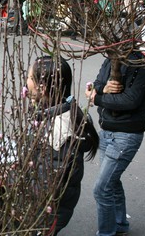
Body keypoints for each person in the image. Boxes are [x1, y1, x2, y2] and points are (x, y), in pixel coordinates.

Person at [26, 56, 99, 235]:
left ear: (42, 88)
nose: (26, 82)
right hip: (51, 207)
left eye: (29, 78)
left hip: (48, 211)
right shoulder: (58, 109)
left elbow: (47, 185)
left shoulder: (58, 131)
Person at [85, 52, 145, 236]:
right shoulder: (110, 59)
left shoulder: (141, 65)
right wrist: (103, 88)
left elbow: (129, 101)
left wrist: (96, 98)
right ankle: (119, 224)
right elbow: (96, 84)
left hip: (126, 135)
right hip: (105, 131)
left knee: (102, 188)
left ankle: (106, 233)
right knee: (111, 183)